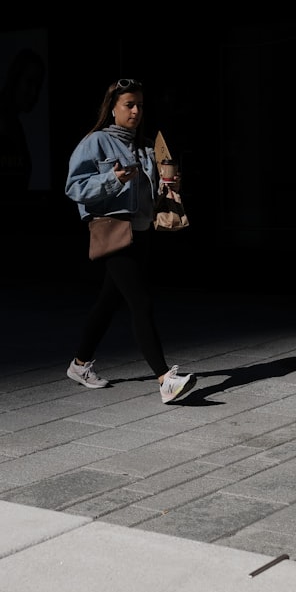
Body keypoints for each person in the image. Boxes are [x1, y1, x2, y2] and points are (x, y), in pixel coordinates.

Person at [64, 78, 195, 404]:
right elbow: (74, 187)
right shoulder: (96, 143)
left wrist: (170, 183)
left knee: (109, 301)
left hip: (141, 233)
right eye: (129, 105)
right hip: (114, 232)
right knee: (141, 303)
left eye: (139, 105)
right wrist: (112, 179)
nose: (136, 111)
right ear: (112, 108)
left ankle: (79, 364)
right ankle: (166, 379)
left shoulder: (146, 146)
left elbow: (152, 192)